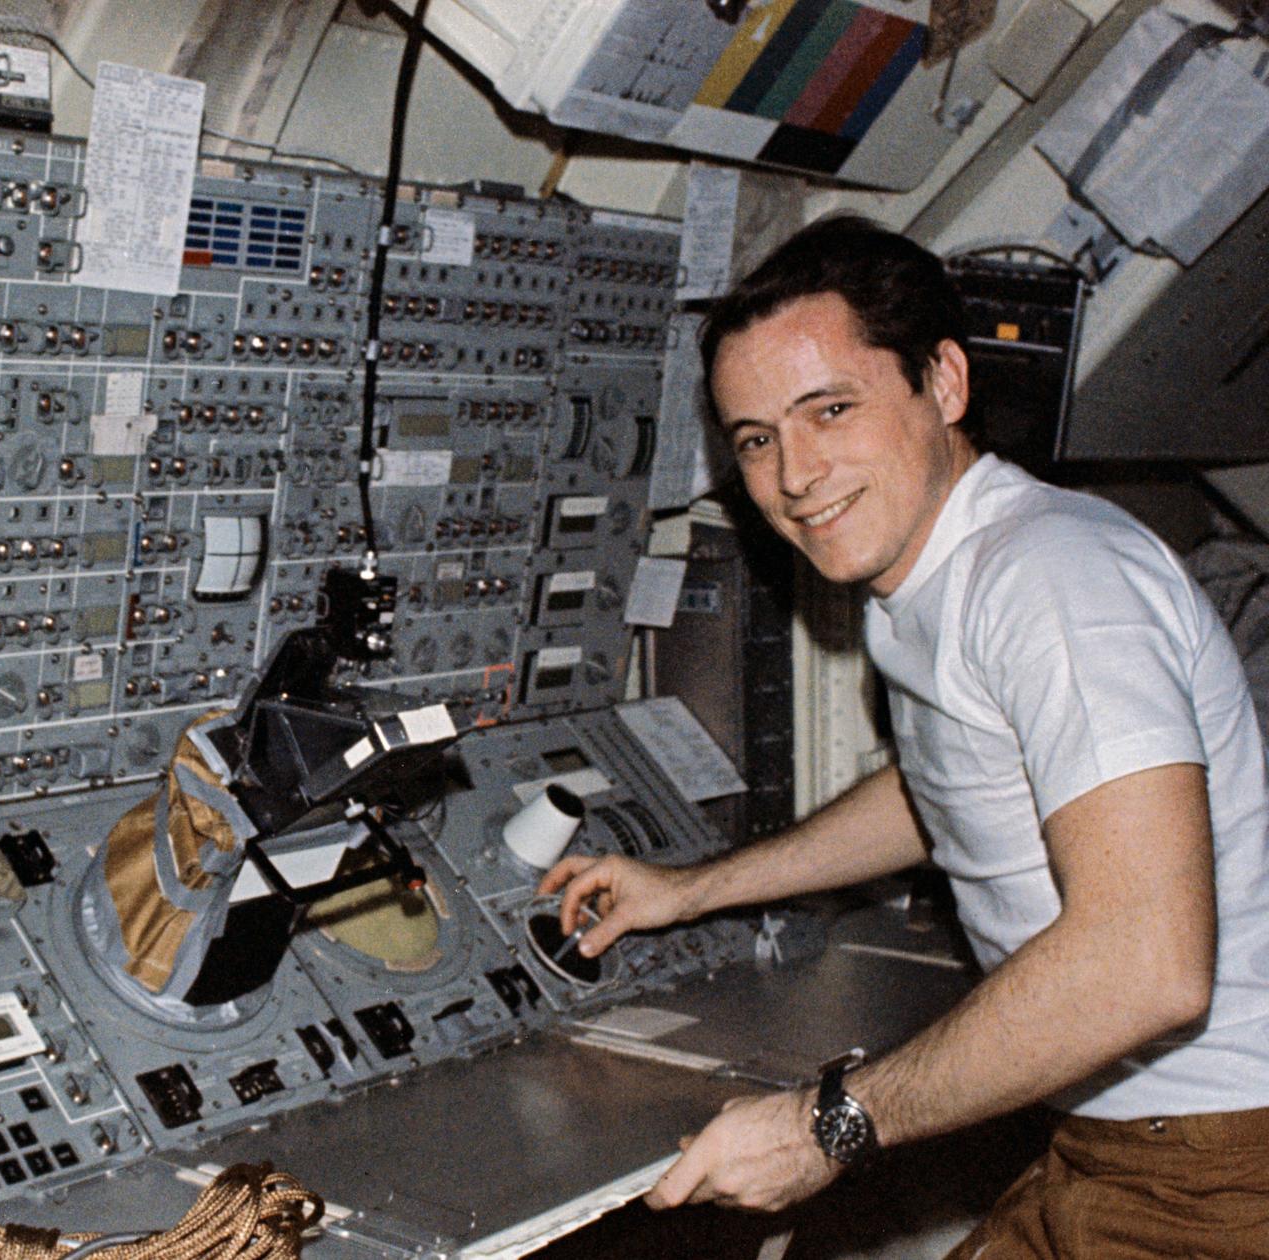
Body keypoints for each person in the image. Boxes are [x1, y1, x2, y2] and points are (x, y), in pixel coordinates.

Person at [542, 215, 1269, 1256]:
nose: (795, 474)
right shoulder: (929, 574)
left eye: (829, 409)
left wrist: (827, 1125)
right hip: (1116, 1139)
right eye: (756, 439)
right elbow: (949, 784)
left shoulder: (1052, 579)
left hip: (1218, 1167)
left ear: (946, 384)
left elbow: (1146, 964)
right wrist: (696, 887)